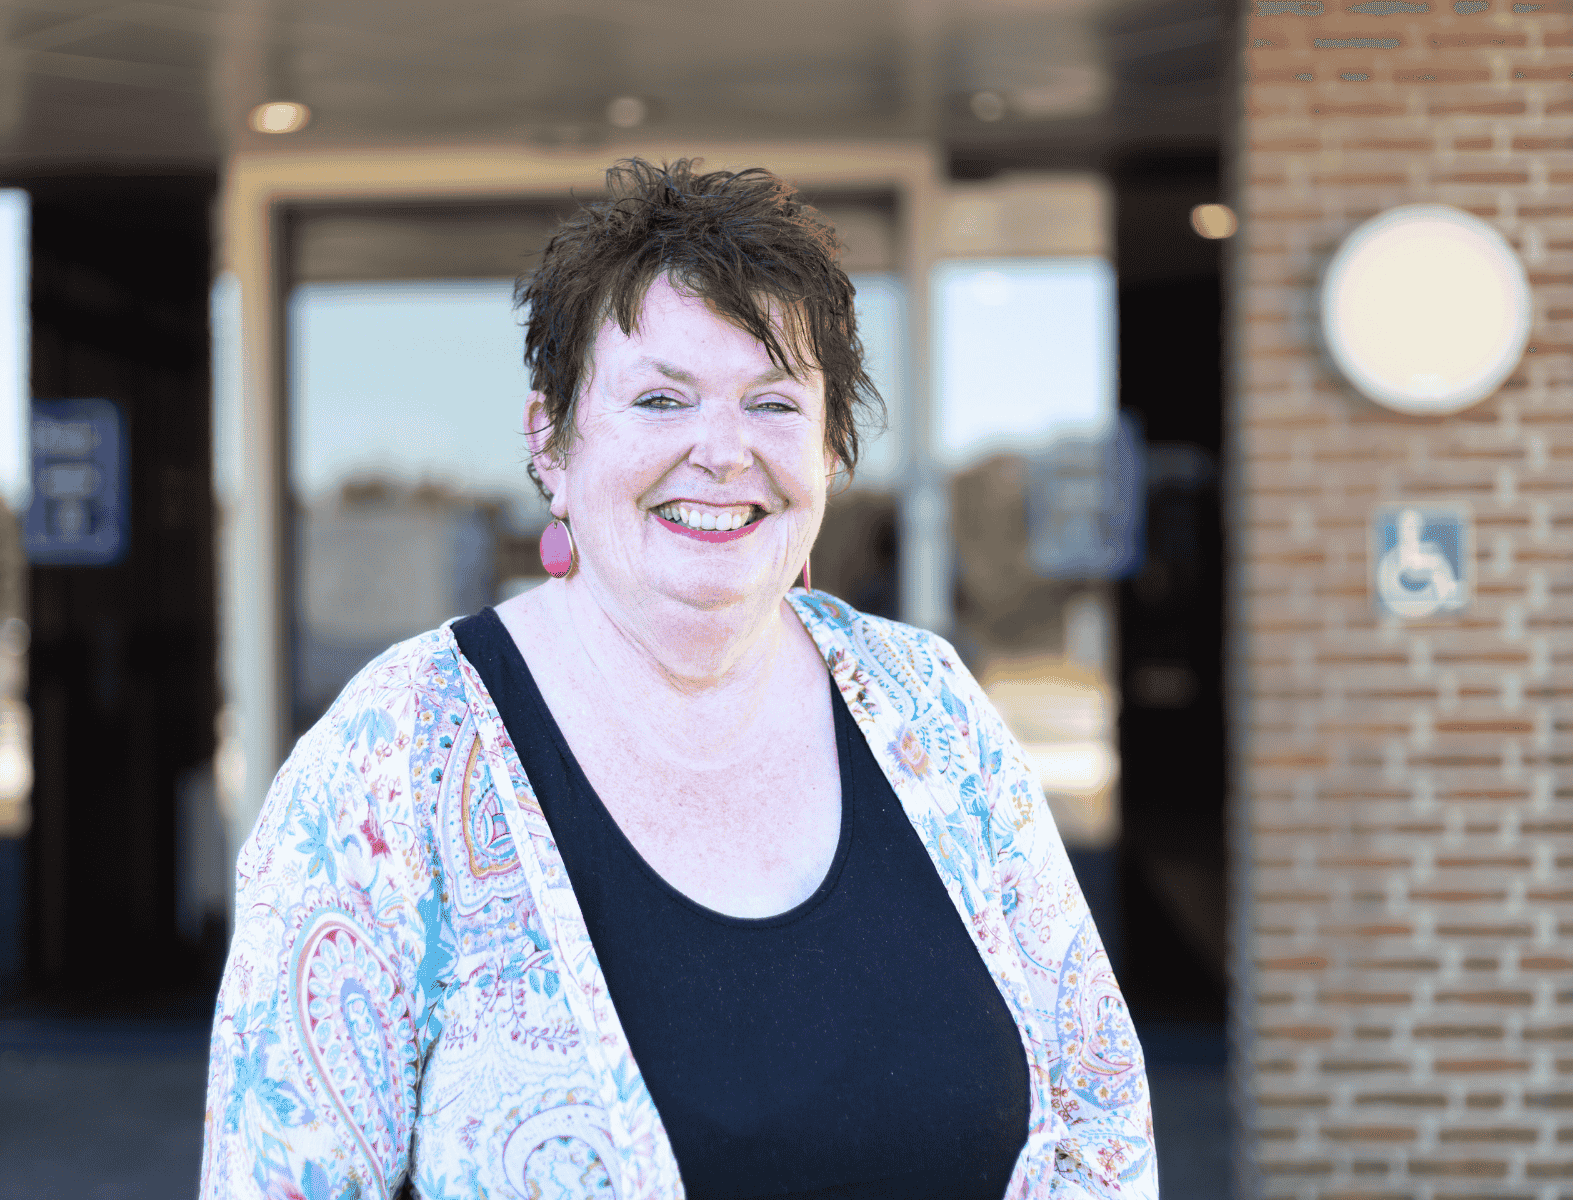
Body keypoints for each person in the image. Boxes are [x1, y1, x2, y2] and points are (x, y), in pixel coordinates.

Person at [201, 158, 1155, 1200]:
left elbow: (1097, 1115)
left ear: (831, 451)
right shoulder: (393, 762)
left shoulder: (927, 707)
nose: (723, 450)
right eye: (661, 398)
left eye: (774, 402)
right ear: (550, 441)